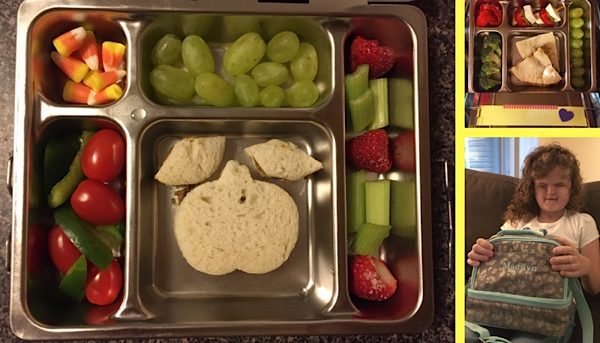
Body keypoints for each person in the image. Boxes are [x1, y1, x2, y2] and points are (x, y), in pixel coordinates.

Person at [466, 143, 600, 343]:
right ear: (532, 187)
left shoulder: (582, 222)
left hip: (547, 315)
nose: (550, 192)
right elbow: (492, 257)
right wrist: (480, 255)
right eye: (542, 185)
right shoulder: (517, 220)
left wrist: (584, 266)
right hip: (497, 305)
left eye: (560, 185)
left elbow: (595, 287)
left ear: (572, 186)